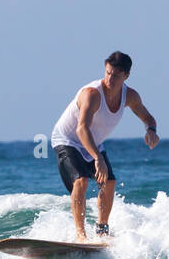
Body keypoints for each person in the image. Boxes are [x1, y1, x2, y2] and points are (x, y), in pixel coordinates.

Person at [50, 51, 159, 241]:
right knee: (81, 180)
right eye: (107, 73)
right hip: (68, 139)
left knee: (109, 182)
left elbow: (148, 118)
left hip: (93, 143)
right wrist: (98, 158)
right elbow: (81, 128)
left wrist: (151, 130)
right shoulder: (92, 94)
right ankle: (81, 235)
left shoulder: (130, 96)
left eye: (116, 75)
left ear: (126, 76)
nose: (110, 78)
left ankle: (102, 230)